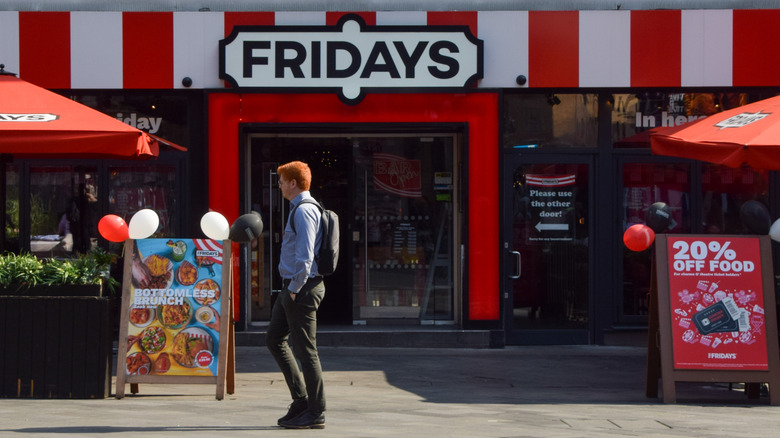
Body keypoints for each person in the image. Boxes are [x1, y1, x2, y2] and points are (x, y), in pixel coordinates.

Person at [267, 161, 326, 430]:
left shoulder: (304, 211)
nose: (279, 185)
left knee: (306, 352)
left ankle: (316, 412)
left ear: (293, 183)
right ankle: (301, 401)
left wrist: (293, 290)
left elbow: (305, 257)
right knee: (275, 339)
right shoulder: (299, 209)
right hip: (292, 286)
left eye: (281, 181)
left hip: (300, 288)